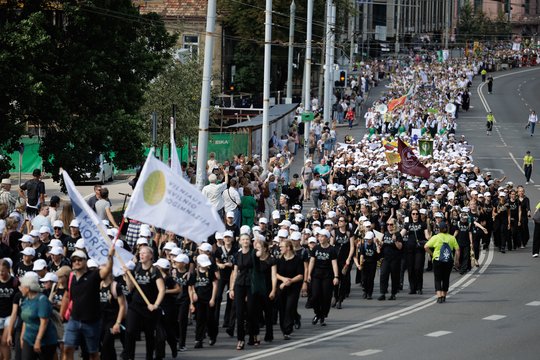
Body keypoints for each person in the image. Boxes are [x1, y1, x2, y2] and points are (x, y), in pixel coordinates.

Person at [60, 247, 115, 360]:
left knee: (92, 353)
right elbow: (67, 296)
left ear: (85, 261)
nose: (77, 262)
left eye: (79, 259)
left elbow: (106, 270)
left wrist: (110, 257)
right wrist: (62, 314)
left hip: (91, 322)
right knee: (67, 348)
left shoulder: (93, 275)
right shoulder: (72, 278)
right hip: (74, 319)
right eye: (74, 260)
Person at [123, 246, 165, 360]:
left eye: (144, 253)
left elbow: (162, 290)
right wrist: (127, 275)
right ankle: (128, 356)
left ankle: (149, 356)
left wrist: (155, 305)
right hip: (135, 306)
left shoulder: (155, 270)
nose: (141, 255)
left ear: (151, 255)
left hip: (149, 307)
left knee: (149, 335)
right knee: (130, 331)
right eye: (140, 253)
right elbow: (130, 288)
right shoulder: (136, 268)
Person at [19, 272, 57, 360]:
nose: (20, 288)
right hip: (28, 338)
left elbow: (44, 322)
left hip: (45, 341)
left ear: (27, 288)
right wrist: (22, 337)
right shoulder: (25, 301)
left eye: (22, 286)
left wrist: (38, 340)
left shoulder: (42, 300)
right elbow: (25, 320)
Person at [229, 234, 255, 350]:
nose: (245, 241)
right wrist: (231, 288)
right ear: (240, 242)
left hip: (251, 284)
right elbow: (234, 272)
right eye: (243, 239)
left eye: (247, 239)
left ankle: (252, 335)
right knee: (239, 313)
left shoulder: (254, 254)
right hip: (239, 284)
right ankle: (240, 339)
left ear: (250, 241)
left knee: (250, 311)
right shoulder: (237, 255)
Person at [307, 229, 338, 326]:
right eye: (319, 236)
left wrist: (336, 276)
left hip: (327, 276)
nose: (320, 238)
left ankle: (323, 316)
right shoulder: (316, 248)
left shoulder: (332, 250)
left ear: (327, 238)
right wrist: (308, 274)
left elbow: (334, 264)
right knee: (315, 296)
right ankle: (317, 313)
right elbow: (312, 261)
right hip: (316, 275)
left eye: (322, 236)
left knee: (326, 297)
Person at [424, 221, 460, 303]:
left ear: (439, 229)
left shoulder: (436, 237)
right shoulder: (452, 238)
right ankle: (444, 296)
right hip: (448, 261)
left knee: (437, 278)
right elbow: (457, 249)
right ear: (447, 229)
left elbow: (426, 246)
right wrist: (456, 260)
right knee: (446, 278)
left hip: (437, 260)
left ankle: (439, 296)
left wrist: (432, 254)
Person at [276, 239, 303, 340]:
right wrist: (283, 280)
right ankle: (284, 328)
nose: (280, 248)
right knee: (282, 309)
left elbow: (300, 275)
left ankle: (287, 330)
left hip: (293, 288)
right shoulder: (279, 260)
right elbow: (275, 273)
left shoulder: (297, 260)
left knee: (289, 308)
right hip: (281, 287)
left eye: (282, 246)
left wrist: (290, 281)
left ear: (288, 248)